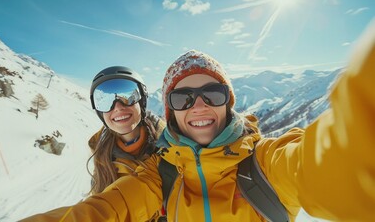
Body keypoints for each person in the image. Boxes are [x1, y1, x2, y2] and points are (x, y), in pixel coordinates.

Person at [21, 24, 375, 222]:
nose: (199, 105)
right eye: (182, 98)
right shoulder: (158, 174)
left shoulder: (267, 163)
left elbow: (330, 167)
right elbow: (101, 210)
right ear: (171, 109)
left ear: (229, 101)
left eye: (213, 93)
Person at [87, 66, 165, 195]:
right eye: (106, 103)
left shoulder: (171, 145)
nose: (117, 107)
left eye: (128, 98)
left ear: (142, 101)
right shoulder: (102, 158)